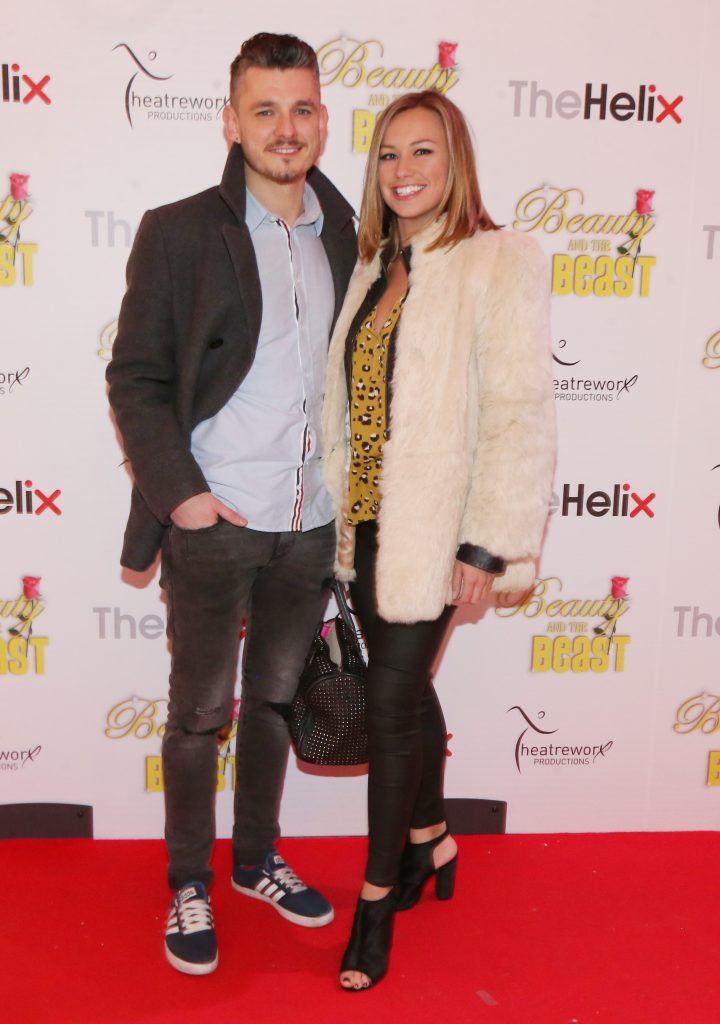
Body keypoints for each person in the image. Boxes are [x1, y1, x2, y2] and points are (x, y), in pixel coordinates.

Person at [106, 33, 356, 976]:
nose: (285, 129)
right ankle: (188, 881)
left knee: (276, 703)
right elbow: (135, 377)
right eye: (265, 110)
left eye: (301, 109)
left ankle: (255, 861)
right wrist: (184, 499)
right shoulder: (179, 231)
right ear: (231, 121)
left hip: (311, 520)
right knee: (198, 710)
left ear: (322, 122)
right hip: (217, 521)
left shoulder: (350, 233)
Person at [322, 90, 555, 989]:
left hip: (441, 533)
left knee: (388, 708)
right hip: (369, 526)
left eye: (423, 152)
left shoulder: (499, 260)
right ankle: (431, 843)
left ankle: (377, 899)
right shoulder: (375, 265)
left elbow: (518, 410)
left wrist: (488, 546)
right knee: (407, 697)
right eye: (387, 155)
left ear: (455, 161)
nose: (404, 171)